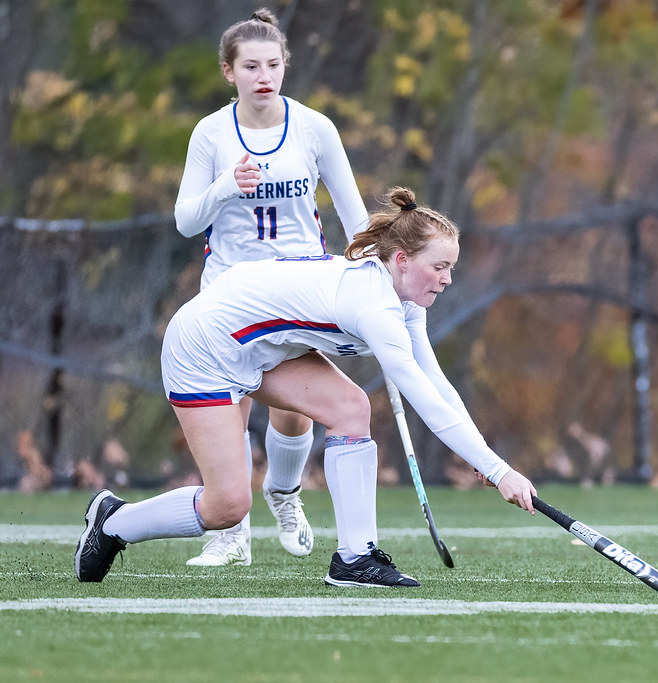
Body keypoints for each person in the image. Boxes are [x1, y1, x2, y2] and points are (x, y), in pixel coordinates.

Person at [75, 187, 538, 586]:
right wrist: (499, 472)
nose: (448, 279)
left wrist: (484, 458)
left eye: (451, 267)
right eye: (440, 266)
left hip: (260, 348)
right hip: (204, 347)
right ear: (402, 260)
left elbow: (437, 384)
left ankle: (355, 559)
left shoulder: (405, 301)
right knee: (227, 506)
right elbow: (423, 398)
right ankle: (114, 522)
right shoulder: (374, 305)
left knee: (351, 409)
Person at [173, 8, 370, 566]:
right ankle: (231, 534)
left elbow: (356, 219)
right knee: (230, 407)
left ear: (285, 65)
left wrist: (375, 271)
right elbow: (186, 221)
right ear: (228, 71)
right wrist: (224, 188)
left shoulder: (314, 128)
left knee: (293, 413)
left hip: (298, 290)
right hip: (230, 295)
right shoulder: (211, 133)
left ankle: (283, 493)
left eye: (274, 65)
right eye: (251, 66)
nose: (264, 76)